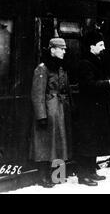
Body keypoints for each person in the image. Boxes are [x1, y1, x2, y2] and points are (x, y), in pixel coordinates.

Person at [73, 30, 110, 186]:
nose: (103, 47)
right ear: (91, 46)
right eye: (100, 44)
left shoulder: (95, 60)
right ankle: (83, 175)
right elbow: (88, 85)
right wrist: (108, 83)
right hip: (88, 111)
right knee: (87, 142)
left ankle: (91, 171)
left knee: (92, 141)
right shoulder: (85, 63)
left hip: (95, 110)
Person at [29, 38, 73, 188]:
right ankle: (43, 177)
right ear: (53, 50)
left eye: (65, 49)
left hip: (60, 110)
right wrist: (41, 116)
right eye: (61, 48)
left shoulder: (61, 67)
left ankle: (58, 176)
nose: (64, 51)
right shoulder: (43, 68)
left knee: (60, 144)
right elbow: (37, 94)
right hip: (49, 111)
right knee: (45, 146)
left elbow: (67, 89)